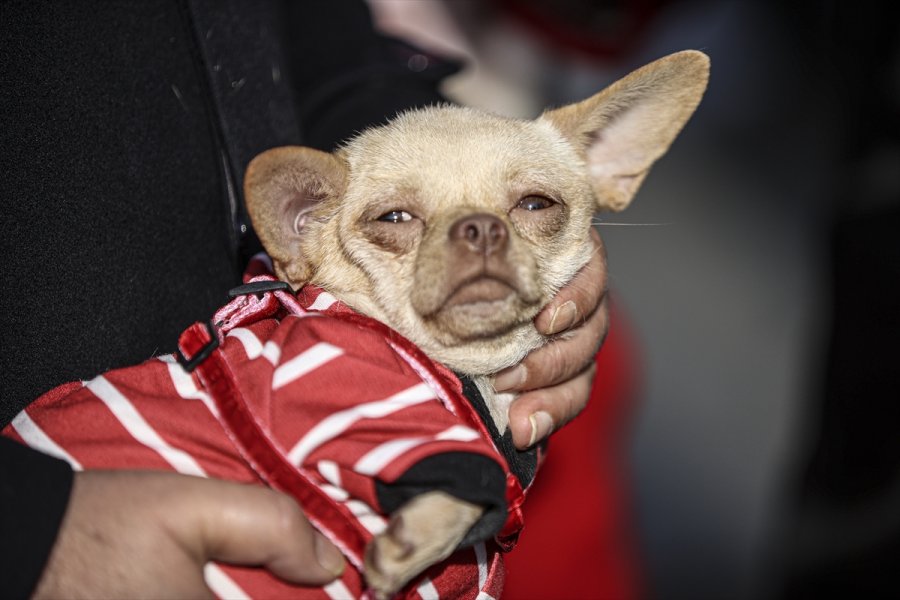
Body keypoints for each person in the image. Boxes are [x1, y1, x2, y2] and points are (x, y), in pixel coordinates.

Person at [0, 1, 607, 597]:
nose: (479, 234)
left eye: (535, 204)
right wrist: (30, 526)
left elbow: (326, 48)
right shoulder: (333, 371)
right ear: (302, 229)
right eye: (395, 218)